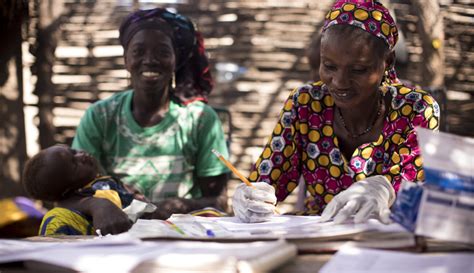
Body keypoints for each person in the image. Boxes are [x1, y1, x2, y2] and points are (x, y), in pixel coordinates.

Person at [232, 0, 440, 224]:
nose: (339, 82)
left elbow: (415, 189)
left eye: (358, 69)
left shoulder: (415, 110)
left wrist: (387, 189)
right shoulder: (304, 104)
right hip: (317, 233)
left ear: (387, 62)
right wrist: (250, 196)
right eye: (329, 66)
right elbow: (266, 182)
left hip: (386, 239)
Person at [66, 8, 230, 234]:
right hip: (113, 238)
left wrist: (178, 207)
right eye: (139, 51)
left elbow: (219, 201)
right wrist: (98, 204)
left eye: (162, 52)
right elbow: (66, 196)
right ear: (126, 60)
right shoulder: (100, 117)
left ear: (175, 60)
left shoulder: (200, 119)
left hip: (183, 238)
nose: (150, 60)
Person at [22, 145, 153, 235]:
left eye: (73, 151)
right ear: (69, 190)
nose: (81, 155)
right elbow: (134, 211)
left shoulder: (100, 184)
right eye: (74, 165)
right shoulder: (99, 191)